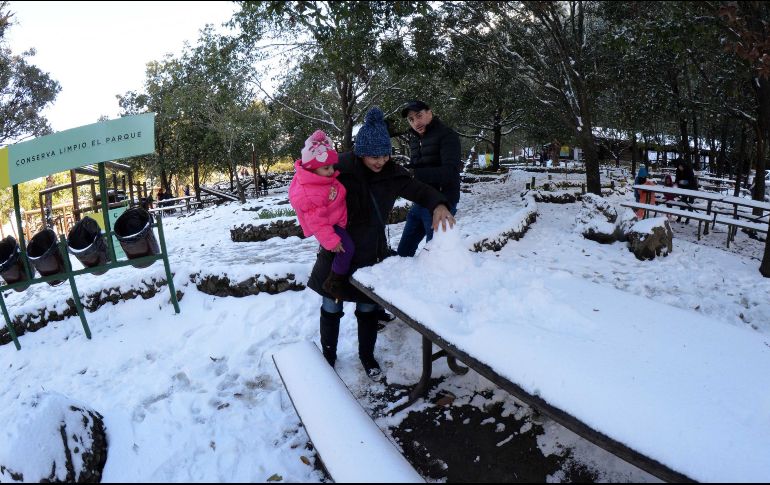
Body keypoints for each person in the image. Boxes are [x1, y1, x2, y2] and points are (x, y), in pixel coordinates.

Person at [307, 107, 455, 380]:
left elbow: (419, 189)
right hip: (338, 248)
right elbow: (307, 182)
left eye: (385, 155)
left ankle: (367, 356)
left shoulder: (392, 173)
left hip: (371, 252)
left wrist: (438, 204)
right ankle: (328, 354)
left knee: (367, 310)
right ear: (361, 152)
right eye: (374, 156)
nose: (380, 161)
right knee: (332, 306)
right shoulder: (338, 167)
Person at [289, 130, 354, 300]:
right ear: (312, 168)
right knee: (347, 250)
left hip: (333, 218)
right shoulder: (311, 192)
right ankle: (334, 282)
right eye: (327, 168)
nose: (332, 170)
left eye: (332, 166)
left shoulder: (319, 178)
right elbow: (316, 221)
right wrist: (331, 240)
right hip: (328, 225)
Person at [396, 100, 461, 257]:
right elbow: (420, 165)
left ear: (430, 112)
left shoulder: (447, 135)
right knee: (403, 253)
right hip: (421, 200)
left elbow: (450, 172)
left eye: (419, 116)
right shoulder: (415, 139)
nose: (416, 122)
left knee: (436, 257)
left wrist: (415, 174)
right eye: (411, 119)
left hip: (442, 202)